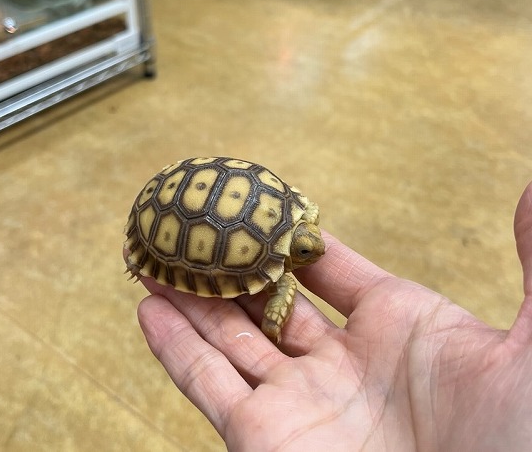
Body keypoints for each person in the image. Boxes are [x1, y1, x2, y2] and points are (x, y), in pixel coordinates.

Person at [135, 182, 532, 451]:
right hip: (178, 216)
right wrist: (272, 323)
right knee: (283, 286)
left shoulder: (299, 224)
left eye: (311, 246)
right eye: (306, 254)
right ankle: (146, 255)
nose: (318, 252)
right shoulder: (283, 267)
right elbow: (280, 291)